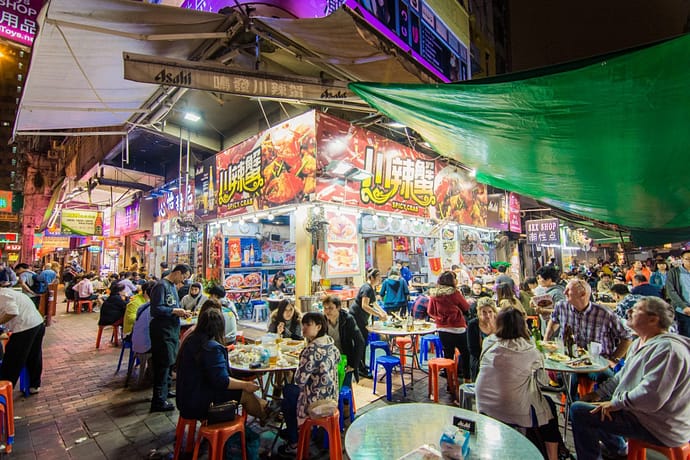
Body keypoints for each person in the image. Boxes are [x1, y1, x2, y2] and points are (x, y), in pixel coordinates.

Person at [570, 297, 690, 460]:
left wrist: (615, 403)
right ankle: (618, 449)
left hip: (659, 426)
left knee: (579, 411)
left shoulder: (667, 350)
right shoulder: (639, 343)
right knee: (593, 405)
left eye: (636, 309)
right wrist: (599, 394)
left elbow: (652, 397)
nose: (629, 312)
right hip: (643, 415)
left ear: (653, 319)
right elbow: (623, 376)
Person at [476, 307, 567, 460]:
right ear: (522, 325)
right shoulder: (529, 350)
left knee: (541, 404)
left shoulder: (489, 341)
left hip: (483, 403)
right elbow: (543, 381)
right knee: (549, 407)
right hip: (510, 407)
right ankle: (553, 456)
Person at [176, 308, 268, 424]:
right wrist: (245, 385)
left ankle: (264, 406)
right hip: (199, 403)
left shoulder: (191, 339)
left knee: (245, 390)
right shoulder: (211, 348)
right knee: (246, 393)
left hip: (185, 398)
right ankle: (264, 417)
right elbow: (222, 381)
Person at [545, 279, 633, 398]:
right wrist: (546, 339)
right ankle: (573, 408)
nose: (564, 292)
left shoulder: (604, 313)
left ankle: (597, 408)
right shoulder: (561, 306)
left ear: (582, 294)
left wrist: (614, 358)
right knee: (567, 379)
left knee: (606, 377)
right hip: (569, 359)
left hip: (596, 362)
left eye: (568, 290)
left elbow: (626, 337)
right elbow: (554, 320)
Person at [279, 312, 340, 457]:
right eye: (303, 324)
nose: (304, 328)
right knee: (290, 393)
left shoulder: (311, 350)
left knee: (288, 393)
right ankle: (294, 431)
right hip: (332, 396)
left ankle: (294, 440)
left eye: (308, 325)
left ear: (318, 327)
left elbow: (299, 380)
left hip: (316, 401)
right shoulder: (331, 344)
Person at [149, 264, 192, 412]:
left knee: (169, 362)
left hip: (172, 329)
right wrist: (175, 311)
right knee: (162, 364)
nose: (183, 281)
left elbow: (173, 306)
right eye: (183, 277)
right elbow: (155, 309)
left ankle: (165, 392)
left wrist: (181, 312)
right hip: (162, 330)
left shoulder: (173, 286)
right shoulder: (161, 286)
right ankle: (158, 400)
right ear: (178, 272)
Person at [428, 270, 471, 382]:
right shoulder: (455, 294)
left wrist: (439, 319)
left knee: (448, 355)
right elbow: (466, 307)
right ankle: (467, 379)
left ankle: (450, 382)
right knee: (465, 353)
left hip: (442, 329)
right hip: (458, 329)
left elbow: (430, 311)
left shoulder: (434, 295)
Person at [0, 287, 45, 394]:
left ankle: (4, 390)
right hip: (37, 323)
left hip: (25, 327)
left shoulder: (2, 295)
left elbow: (12, 312)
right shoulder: (8, 292)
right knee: (34, 355)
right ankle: (34, 385)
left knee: (12, 359)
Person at [349, 268, 388, 375]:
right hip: (356, 318)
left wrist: (383, 312)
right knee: (360, 342)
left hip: (362, 319)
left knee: (363, 341)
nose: (380, 279)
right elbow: (364, 305)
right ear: (371, 278)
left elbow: (374, 303)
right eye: (378, 277)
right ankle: (359, 368)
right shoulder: (366, 288)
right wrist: (378, 315)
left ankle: (361, 365)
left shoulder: (371, 288)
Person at [322, 295, 365, 384]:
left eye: (330, 308)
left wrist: (354, 365)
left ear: (338, 308)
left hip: (344, 360)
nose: (327, 311)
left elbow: (360, 341)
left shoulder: (347, 319)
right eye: (325, 308)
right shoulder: (322, 320)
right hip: (327, 359)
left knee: (344, 388)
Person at [466, 297, 497, 380]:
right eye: (484, 312)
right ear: (478, 312)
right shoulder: (473, 325)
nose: (488, 315)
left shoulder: (499, 322)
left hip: (498, 359)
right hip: (480, 360)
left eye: (490, 312)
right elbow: (472, 349)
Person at [663, 248, 690, 337]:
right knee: (686, 335)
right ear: (682, 259)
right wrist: (684, 307)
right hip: (683, 310)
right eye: (687, 259)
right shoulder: (674, 272)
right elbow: (671, 290)